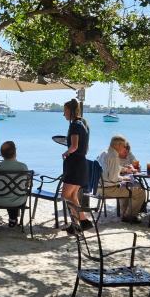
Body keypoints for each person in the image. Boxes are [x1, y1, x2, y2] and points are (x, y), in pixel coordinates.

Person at [61, 98, 91, 232]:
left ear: (71, 111)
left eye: (65, 111)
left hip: (74, 164)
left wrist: (66, 153)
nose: (64, 114)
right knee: (73, 196)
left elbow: (74, 146)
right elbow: (85, 147)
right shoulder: (84, 123)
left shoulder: (74, 125)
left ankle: (83, 220)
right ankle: (76, 224)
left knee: (65, 195)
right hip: (82, 163)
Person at [99, 135, 145, 224]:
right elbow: (113, 179)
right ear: (118, 145)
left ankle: (125, 212)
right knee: (140, 192)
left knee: (128, 186)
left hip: (99, 187)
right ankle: (128, 216)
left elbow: (110, 169)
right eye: (124, 146)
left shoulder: (105, 153)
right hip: (108, 189)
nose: (125, 148)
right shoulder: (113, 156)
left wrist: (124, 169)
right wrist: (124, 178)